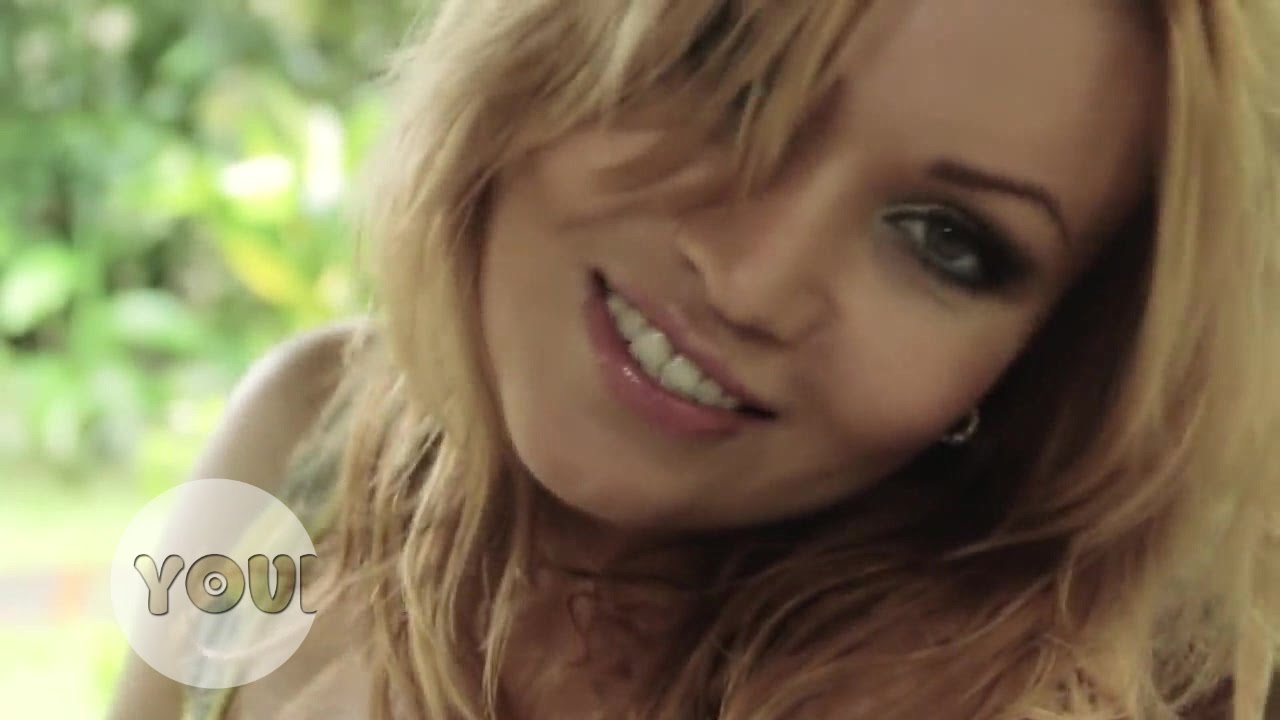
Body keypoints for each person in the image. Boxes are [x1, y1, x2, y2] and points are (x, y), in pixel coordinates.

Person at [108, 1, 1280, 718]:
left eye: (944, 241)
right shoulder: (292, 440)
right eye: (734, 82)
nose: (752, 280)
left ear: (1050, 354)